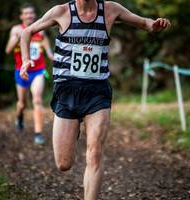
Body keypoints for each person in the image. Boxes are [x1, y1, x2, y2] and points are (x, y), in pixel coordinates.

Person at [20, 0, 171, 199]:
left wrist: (155, 24)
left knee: (95, 153)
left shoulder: (111, 10)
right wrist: (25, 60)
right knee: (63, 164)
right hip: (67, 89)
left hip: (97, 91)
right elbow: (27, 32)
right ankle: (72, 128)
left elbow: (144, 23)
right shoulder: (61, 11)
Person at [5, 3, 53, 145]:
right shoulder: (16, 29)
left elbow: (46, 47)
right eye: (26, 13)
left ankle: (38, 133)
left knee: (37, 100)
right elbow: (8, 50)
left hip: (38, 70)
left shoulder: (40, 29)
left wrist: (51, 54)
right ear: (21, 16)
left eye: (31, 13)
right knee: (22, 103)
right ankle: (19, 116)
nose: (29, 15)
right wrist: (16, 38)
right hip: (22, 71)